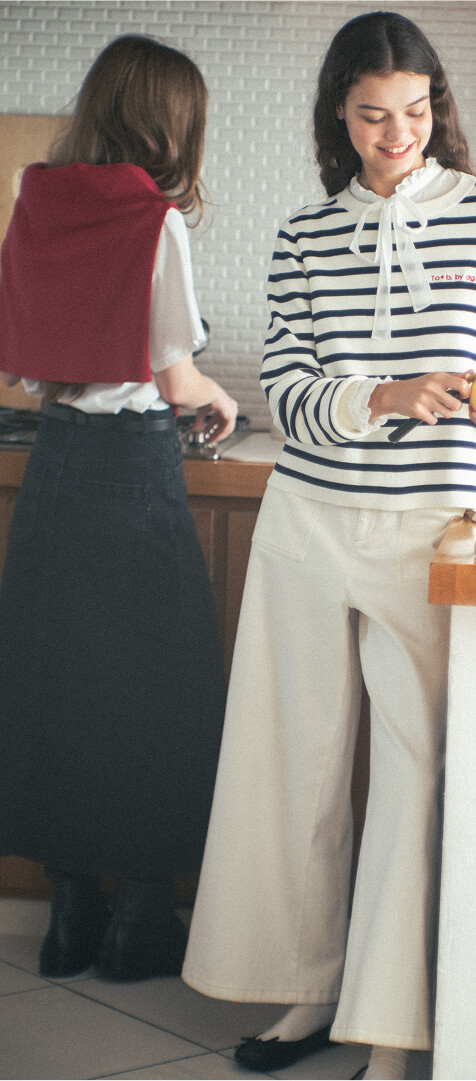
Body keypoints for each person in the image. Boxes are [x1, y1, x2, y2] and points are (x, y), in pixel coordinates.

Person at [182, 11, 476, 1078]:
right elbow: (287, 391)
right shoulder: (305, 235)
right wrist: (385, 394)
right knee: (291, 764)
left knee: (412, 770)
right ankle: (304, 990)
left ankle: (390, 1024)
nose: (397, 134)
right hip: (309, 523)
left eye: (414, 111)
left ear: (437, 106)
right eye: (371, 116)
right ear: (337, 118)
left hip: (438, 526)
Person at [0, 34, 238, 983]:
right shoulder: (155, 218)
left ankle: (68, 922)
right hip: (134, 471)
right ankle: (138, 923)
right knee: (158, 692)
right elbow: (175, 376)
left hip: (57, 462)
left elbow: (29, 357)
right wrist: (217, 398)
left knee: (56, 685)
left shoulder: (37, 198)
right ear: (173, 123)